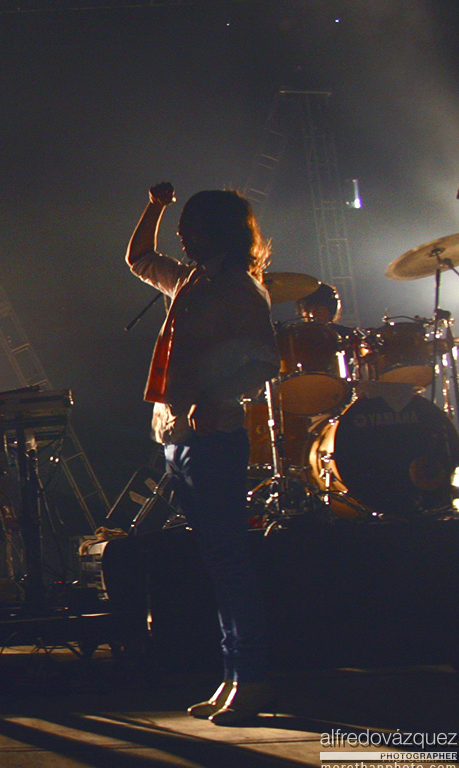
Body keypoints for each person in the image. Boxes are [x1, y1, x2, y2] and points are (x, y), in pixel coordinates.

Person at [125, 182, 280, 725]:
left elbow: (264, 361)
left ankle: (251, 678)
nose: (182, 236)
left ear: (217, 231)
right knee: (218, 563)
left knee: (228, 563)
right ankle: (235, 676)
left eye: (190, 226)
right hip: (179, 438)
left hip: (213, 439)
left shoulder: (239, 287)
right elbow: (139, 259)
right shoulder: (193, 280)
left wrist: (216, 400)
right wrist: (154, 207)